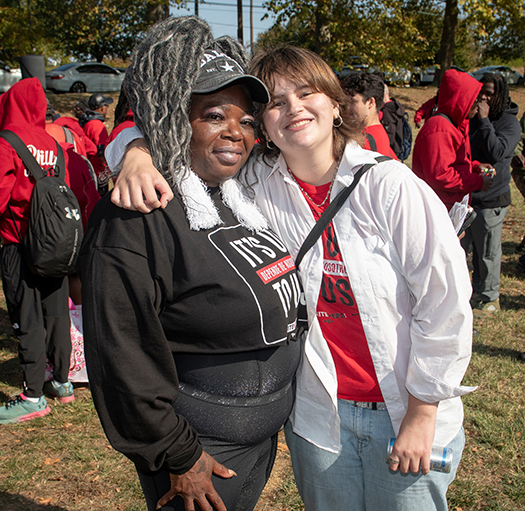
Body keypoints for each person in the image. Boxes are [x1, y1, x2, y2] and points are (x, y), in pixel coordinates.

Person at [108, 45, 475, 511]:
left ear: (336, 104)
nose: (294, 109)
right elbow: (168, 132)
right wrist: (136, 154)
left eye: (307, 93)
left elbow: (445, 304)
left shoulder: (392, 187)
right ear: (263, 123)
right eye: (277, 102)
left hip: (402, 412)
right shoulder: (256, 185)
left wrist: (422, 415)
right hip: (318, 418)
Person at [78, 17, 300, 511]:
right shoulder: (138, 212)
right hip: (199, 456)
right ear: (177, 121)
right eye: (215, 115)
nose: (234, 132)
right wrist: (178, 454)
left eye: (246, 121)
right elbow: (121, 353)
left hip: (257, 443)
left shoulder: (241, 194)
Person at [0, 78, 74, 423]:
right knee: (56, 312)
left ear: (8, 104)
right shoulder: (54, 143)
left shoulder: (3, 144)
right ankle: (62, 382)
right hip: (54, 242)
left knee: (27, 318)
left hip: (19, 242)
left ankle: (33, 394)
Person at [463, 73, 521, 318]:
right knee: (472, 248)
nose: (484, 98)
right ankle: (476, 292)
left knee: (488, 251)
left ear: (502, 95)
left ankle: (490, 297)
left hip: (493, 198)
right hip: (470, 194)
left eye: (490, 93)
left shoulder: (510, 123)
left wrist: (485, 120)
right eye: (481, 92)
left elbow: (496, 152)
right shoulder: (473, 119)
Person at [412, 69, 495, 230]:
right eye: (474, 100)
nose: (478, 106)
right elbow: (441, 174)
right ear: (462, 99)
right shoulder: (439, 129)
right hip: (438, 209)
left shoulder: (455, 125)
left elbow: (454, 161)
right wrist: (478, 182)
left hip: (448, 206)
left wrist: (476, 166)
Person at [340, 72, 397, 158]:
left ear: (370, 102)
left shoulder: (364, 142)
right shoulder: (380, 134)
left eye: (353, 102)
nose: (347, 107)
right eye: (346, 101)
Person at [79, 93, 114, 195]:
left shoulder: (87, 123)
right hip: (99, 173)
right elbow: (101, 151)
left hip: (89, 171)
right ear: (102, 108)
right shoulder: (98, 125)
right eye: (106, 106)